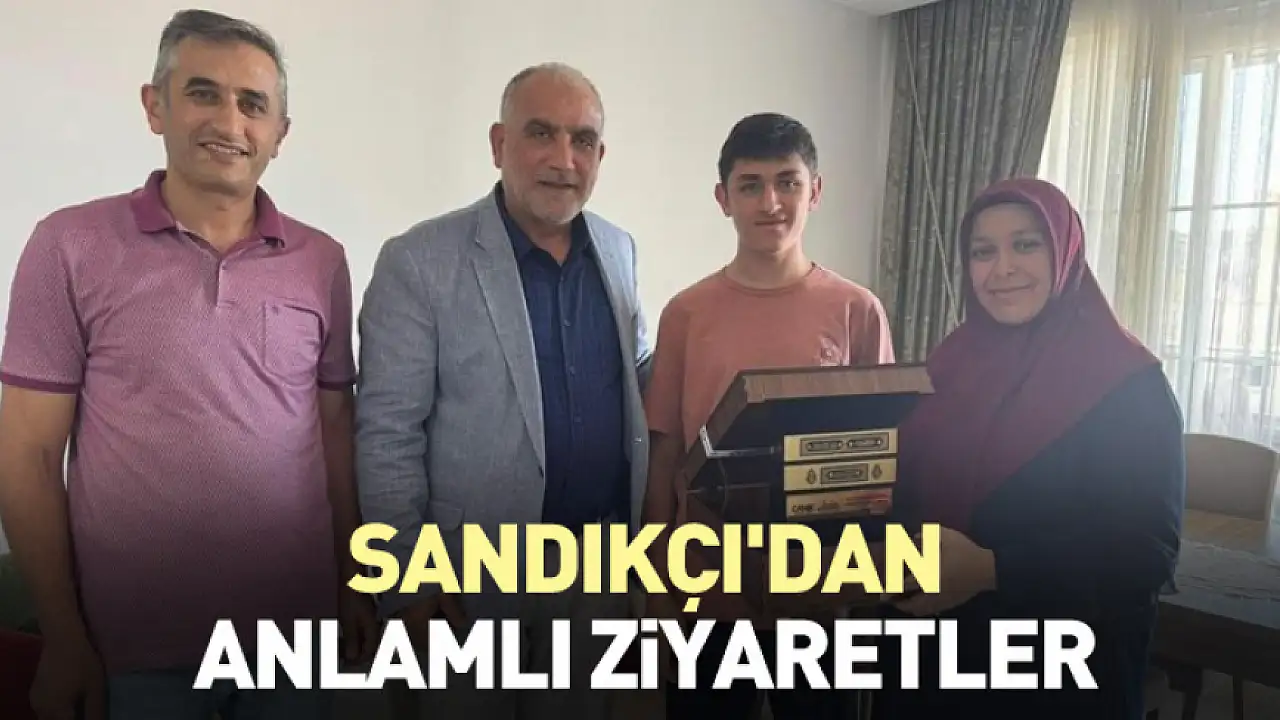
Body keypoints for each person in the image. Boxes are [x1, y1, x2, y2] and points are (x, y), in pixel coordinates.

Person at [0, 9, 376, 720]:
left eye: (253, 104)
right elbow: (27, 453)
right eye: (204, 93)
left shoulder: (322, 262)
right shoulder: (68, 245)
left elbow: (334, 430)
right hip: (132, 649)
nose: (230, 122)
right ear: (155, 107)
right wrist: (64, 636)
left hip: (291, 645)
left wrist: (356, 580)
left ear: (279, 133)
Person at [354, 62, 651, 720]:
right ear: (499, 144)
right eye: (541, 133)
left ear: (600, 156)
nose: (563, 160)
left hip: (598, 573)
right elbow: (387, 434)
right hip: (464, 579)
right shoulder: (419, 260)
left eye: (582, 140)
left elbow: (639, 379)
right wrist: (405, 582)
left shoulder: (619, 249)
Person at [872, 177, 1186, 719]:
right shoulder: (949, 364)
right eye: (983, 251)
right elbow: (902, 484)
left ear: (1065, 251)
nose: (1003, 268)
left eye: (1025, 244)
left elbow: (1144, 555)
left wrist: (991, 569)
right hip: (932, 662)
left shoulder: (1127, 383)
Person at [641, 112, 895, 720]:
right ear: (723, 198)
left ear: (816, 190)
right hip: (708, 589)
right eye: (751, 185)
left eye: (788, 182)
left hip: (822, 592)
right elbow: (665, 454)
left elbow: (881, 453)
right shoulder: (686, 314)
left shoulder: (857, 310)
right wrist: (654, 581)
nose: (771, 202)